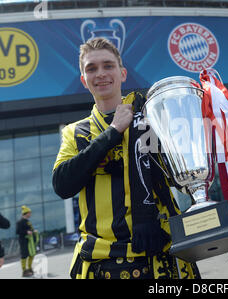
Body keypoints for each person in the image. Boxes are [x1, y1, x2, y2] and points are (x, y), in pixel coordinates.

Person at [52, 37, 200, 279]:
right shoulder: (74, 132)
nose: (100, 73)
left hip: (165, 257)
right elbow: (62, 184)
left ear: (122, 73)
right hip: (103, 264)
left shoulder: (154, 118)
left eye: (108, 66)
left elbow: (181, 178)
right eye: (92, 68)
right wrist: (112, 133)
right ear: (83, 80)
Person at [16, 205, 38, 277]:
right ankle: (24, 270)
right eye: (29, 213)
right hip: (24, 241)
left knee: (32, 254)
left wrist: (33, 231)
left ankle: (29, 268)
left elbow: (30, 229)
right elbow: (18, 231)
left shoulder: (28, 221)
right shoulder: (20, 222)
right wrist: (26, 232)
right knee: (24, 255)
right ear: (26, 213)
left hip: (30, 241)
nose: (30, 214)